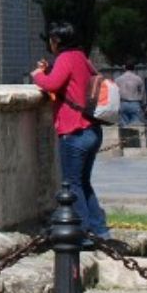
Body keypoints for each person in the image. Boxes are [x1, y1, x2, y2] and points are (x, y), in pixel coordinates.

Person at [30, 22, 111, 245]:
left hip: (74, 130)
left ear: (56, 41)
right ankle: (100, 230)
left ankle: (82, 234)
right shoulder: (81, 57)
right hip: (92, 129)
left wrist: (38, 74)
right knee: (83, 182)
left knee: (72, 184)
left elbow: (52, 84)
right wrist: (50, 69)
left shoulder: (66, 58)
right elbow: (72, 82)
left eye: (51, 40)